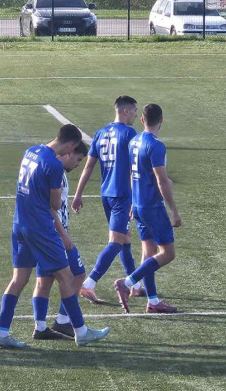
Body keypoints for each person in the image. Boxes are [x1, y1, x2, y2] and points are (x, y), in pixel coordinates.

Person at [0, 124, 111, 348]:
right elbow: (55, 204)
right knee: (67, 277)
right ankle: (81, 331)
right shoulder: (54, 165)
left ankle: (2, 332)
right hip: (41, 228)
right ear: (71, 144)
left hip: (20, 223)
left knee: (18, 280)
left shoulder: (31, 151)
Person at [71, 96, 144, 304]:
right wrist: (135, 198)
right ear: (126, 111)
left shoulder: (100, 133)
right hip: (122, 195)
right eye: (134, 110)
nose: (136, 115)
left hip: (106, 194)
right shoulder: (129, 133)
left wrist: (78, 194)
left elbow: (88, 166)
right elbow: (134, 168)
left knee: (125, 240)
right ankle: (88, 284)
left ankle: (135, 285)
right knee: (116, 242)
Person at [114, 104, 181, 314]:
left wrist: (132, 203)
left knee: (148, 252)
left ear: (142, 120)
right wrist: (174, 210)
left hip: (138, 205)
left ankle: (152, 301)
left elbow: (131, 174)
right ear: (162, 119)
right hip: (152, 206)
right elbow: (161, 181)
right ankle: (127, 283)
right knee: (167, 254)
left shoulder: (134, 141)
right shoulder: (156, 145)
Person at [31, 141, 89, 340]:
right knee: (77, 274)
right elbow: (50, 206)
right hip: (54, 234)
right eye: (78, 160)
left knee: (45, 280)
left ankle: (40, 327)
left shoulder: (52, 167)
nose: (78, 165)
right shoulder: (55, 170)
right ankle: (63, 321)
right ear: (69, 152)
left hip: (47, 232)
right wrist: (63, 234)